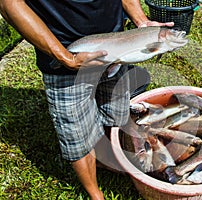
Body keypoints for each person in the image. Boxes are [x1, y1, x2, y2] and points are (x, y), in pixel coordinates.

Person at [0, 1, 173, 199]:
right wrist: (66, 58)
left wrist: (141, 21)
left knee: (116, 113)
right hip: (67, 54)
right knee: (77, 134)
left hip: (117, 47)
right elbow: (9, 4)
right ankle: (95, 193)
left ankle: (108, 158)